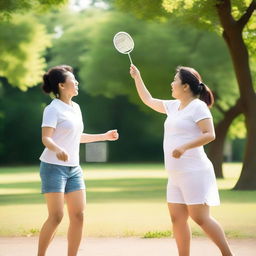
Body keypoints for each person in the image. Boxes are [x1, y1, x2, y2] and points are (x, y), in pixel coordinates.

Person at [130, 64, 233, 256]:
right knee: (177, 219)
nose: (172, 83)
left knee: (201, 218)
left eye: (175, 80)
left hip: (194, 171)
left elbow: (210, 134)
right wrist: (137, 77)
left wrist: (185, 147)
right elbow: (148, 99)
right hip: (175, 174)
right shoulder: (173, 106)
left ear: (185, 86)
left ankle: (228, 254)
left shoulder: (198, 106)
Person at [38, 65, 119, 256]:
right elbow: (46, 138)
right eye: (73, 80)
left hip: (74, 168)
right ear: (61, 85)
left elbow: (77, 136)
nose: (76, 83)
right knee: (56, 217)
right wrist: (58, 149)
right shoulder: (53, 109)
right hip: (53, 167)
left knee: (78, 215)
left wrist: (104, 136)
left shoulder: (76, 108)